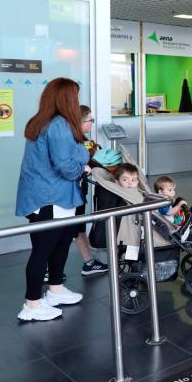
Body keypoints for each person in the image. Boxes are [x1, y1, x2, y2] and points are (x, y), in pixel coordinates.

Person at [16, 78, 90, 322]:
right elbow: (67, 167)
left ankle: (56, 290)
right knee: (43, 250)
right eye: (75, 96)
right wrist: (84, 157)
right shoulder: (59, 125)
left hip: (53, 196)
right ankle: (32, 304)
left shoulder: (42, 122)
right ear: (67, 99)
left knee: (60, 244)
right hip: (50, 198)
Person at [72, 105, 108, 276]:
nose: (92, 123)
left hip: (77, 192)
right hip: (70, 194)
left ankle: (89, 262)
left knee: (78, 228)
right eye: (90, 120)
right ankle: (50, 271)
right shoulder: (72, 140)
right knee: (68, 230)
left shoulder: (82, 139)